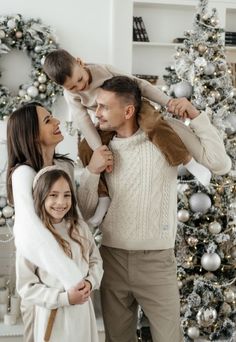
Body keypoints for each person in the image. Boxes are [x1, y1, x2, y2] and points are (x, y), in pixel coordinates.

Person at [77, 76, 232, 342]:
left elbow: (220, 165)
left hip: (157, 262)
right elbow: (88, 212)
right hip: (111, 258)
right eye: (96, 106)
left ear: (128, 110)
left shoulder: (166, 131)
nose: (96, 112)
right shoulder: (95, 145)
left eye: (103, 106)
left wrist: (195, 115)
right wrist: (92, 170)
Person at [43, 49, 211, 227]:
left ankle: (188, 162)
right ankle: (103, 196)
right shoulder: (71, 95)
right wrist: (99, 148)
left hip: (134, 104)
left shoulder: (103, 70)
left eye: (80, 79)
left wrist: (167, 102)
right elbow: (84, 121)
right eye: (72, 87)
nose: (80, 87)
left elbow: (140, 84)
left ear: (80, 62)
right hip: (108, 118)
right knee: (86, 149)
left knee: (153, 124)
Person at [6, 102, 109, 342]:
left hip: (77, 289)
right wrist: (71, 278)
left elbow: (77, 214)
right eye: (47, 120)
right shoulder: (23, 174)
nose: (57, 122)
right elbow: (30, 230)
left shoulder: (64, 166)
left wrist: (92, 172)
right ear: (31, 134)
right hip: (47, 290)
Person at [16, 166, 103, 342]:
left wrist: (89, 282)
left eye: (67, 195)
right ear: (41, 196)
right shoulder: (32, 237)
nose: (61, 202)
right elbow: (26, 287)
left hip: (82, 314)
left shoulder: (79, 228)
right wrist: (64, 298)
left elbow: (95, 261)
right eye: (53, 195)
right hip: (53, 315)